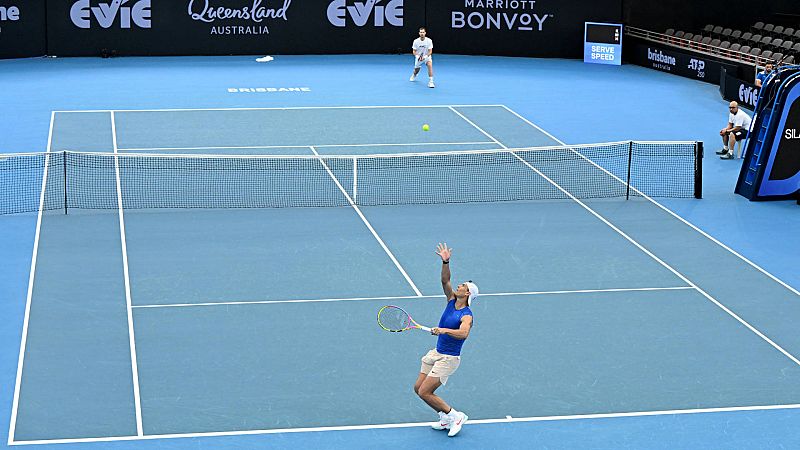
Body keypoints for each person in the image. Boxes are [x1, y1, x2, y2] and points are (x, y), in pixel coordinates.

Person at [413, 243, 476, 437]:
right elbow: (445, 280)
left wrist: (443, 330)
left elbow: (464, 334)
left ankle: (455, 416)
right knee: (418, 388)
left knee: (425, 392)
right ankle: (445, 417)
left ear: (467, 294)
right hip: (436, 353)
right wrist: (445, 261)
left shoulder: (467, 315)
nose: (458, 286)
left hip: (449, 359)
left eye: (462, 286)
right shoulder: (450, 301)